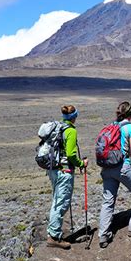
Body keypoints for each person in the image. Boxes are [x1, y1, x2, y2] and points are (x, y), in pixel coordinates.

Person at [99, 101, 131, 248]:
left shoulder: (111, 126)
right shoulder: (130, 128)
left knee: (108, 201)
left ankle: (103, 235)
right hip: (122, 167)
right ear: (130, 114)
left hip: (107, 168)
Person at [47, 105, 88, 249]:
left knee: (57, 200)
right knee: (62, 203)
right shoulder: (70, 131)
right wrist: (81, 163)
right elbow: (71, 154)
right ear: (74, 117)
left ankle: (53, 232)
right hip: (64, 171)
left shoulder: (58, 128)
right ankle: (54, 237)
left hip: (54, 170)